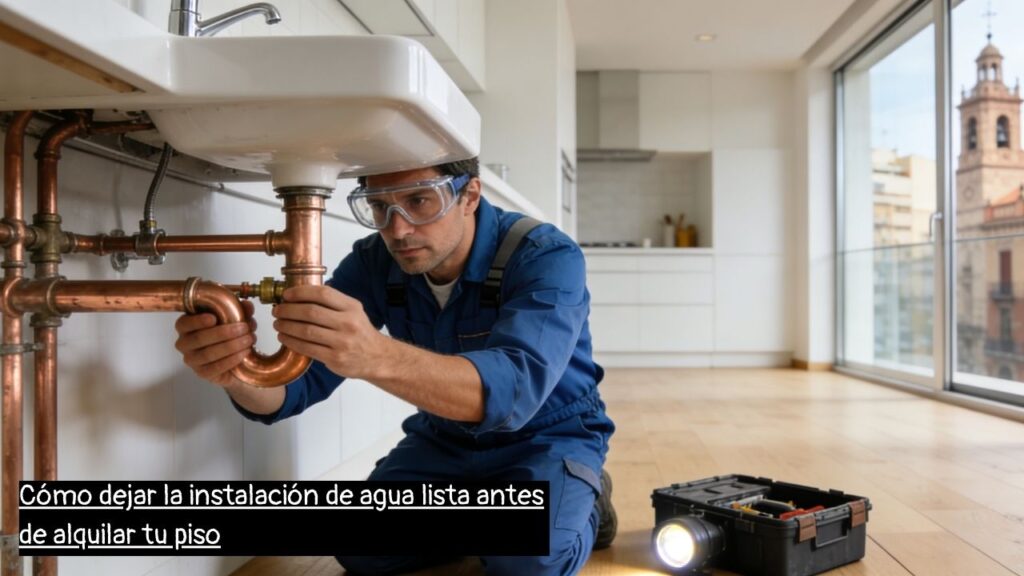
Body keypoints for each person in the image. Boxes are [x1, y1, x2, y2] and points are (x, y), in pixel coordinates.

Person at [173, 157, 616, 575]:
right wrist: (237, 371)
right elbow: (296, 387)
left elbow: (512, 392)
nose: (398, 229)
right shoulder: (373, 263)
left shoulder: (546, 256)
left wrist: (374, 355)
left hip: (547, 436)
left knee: (527, 562)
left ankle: (588, 499)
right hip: (446, 439)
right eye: (379, 207)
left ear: (470, 195)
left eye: (419, 201)